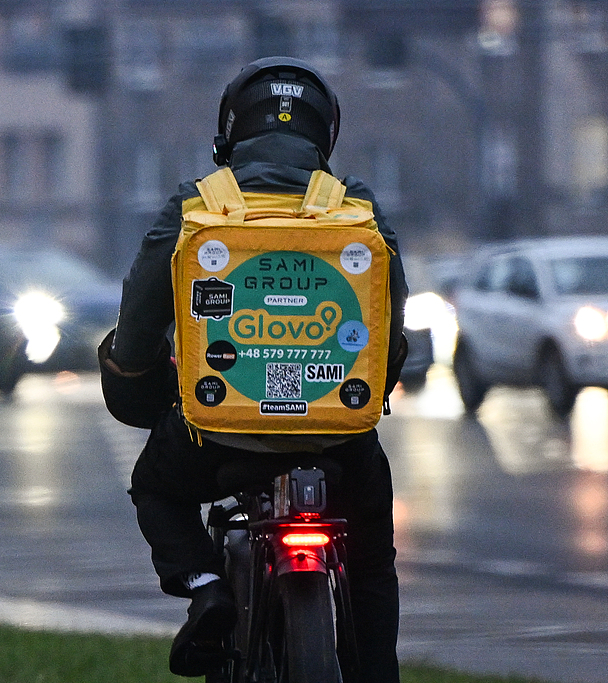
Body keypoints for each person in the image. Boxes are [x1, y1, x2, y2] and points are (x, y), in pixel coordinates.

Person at [98, 57, 408, 682]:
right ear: (326, 137)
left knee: (156, 487)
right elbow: (389, 326)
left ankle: (206, 585)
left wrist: (131, 373)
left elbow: (139, 321)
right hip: (337, 440)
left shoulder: (197, 205)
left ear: (230, 133)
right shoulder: (356, 207)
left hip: (216, 435)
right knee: (371, 560)